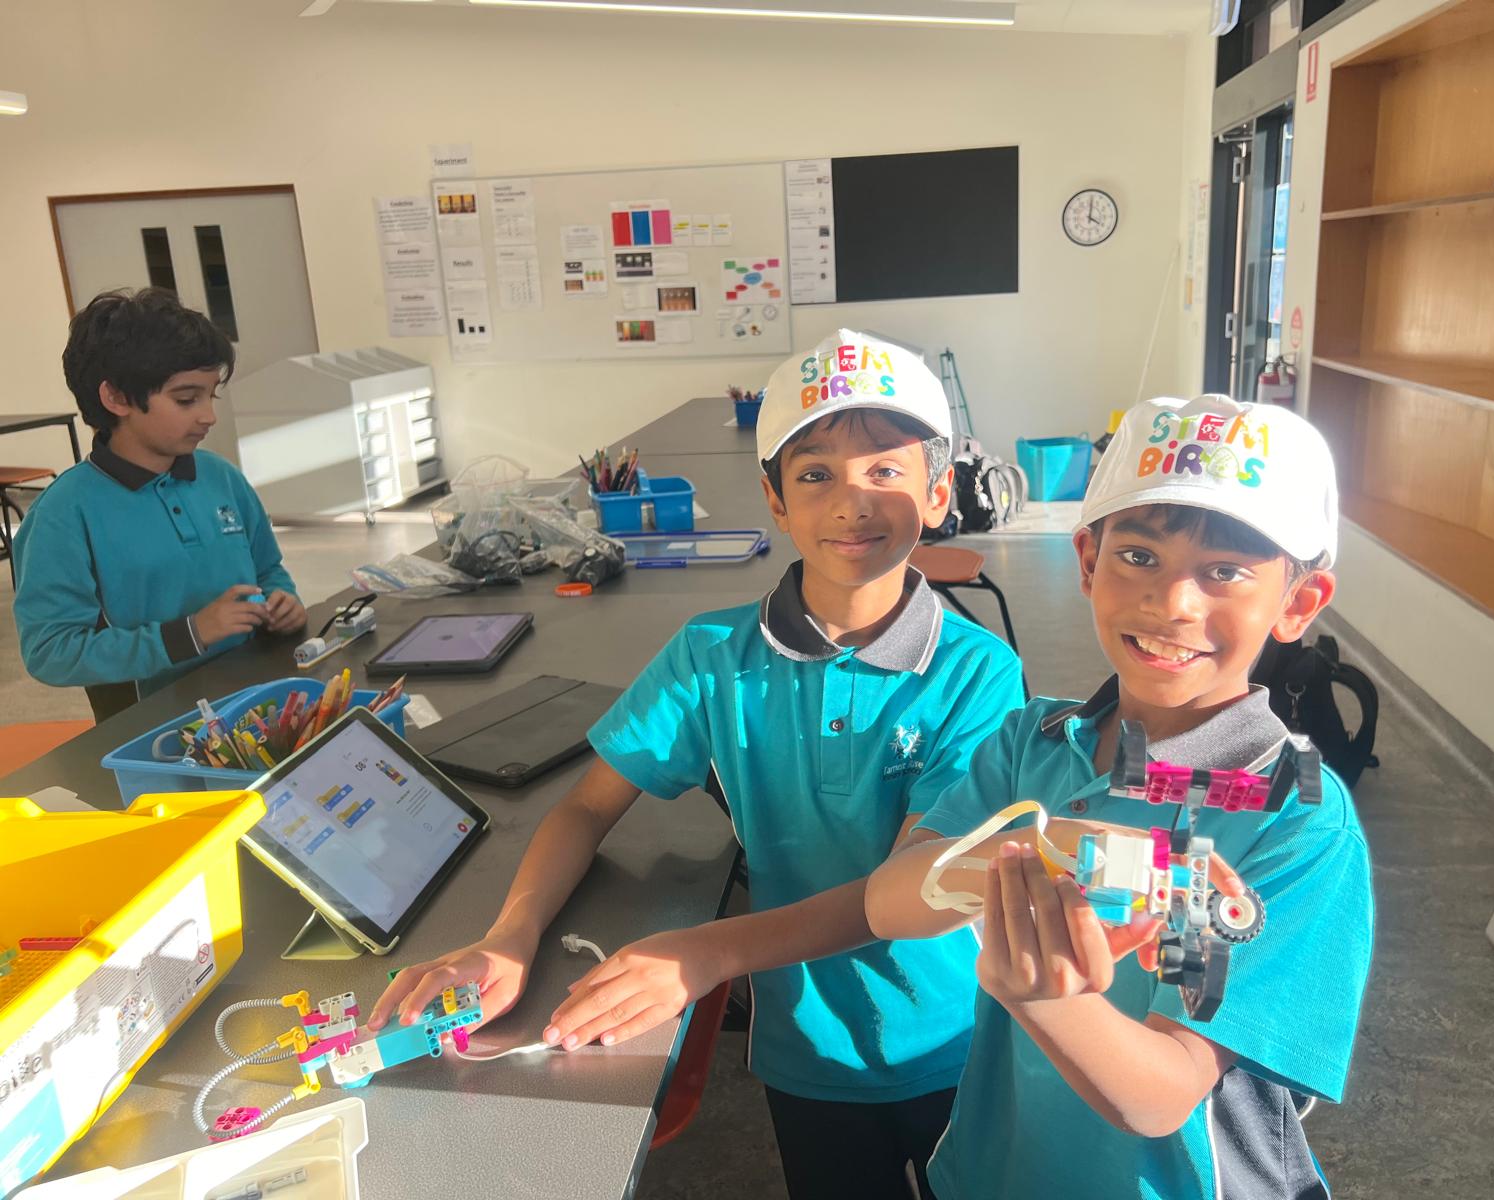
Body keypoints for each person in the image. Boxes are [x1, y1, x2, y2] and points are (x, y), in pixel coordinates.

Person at [371, 330, 1025, 1199]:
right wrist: (511, 937)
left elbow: (914, 890)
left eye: (886, 471)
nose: (851, 502)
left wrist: (702, 954)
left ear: (938, 492)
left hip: (957, 1037)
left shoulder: (979, 675)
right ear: (775, 500)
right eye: (816, 473)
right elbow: (584, 810)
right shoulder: (713, 655)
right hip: (807, 1049)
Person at [866, 394, 1374, 1199]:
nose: (1173, 603)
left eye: (1226, 572)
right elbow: (889, 905)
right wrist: (1047, 850)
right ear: (1087, 562)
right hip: (999, 1170)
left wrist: (1049, 997)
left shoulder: (1296, 821)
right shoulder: (1034, 742)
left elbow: (1161, 1094)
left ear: (1298, 603)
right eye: (1140, 556)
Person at [14, 289, 305, 720]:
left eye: (211, 396)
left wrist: (284, 601)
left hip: (256, 703)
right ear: (116, 399)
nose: (208, 416)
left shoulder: (219, 477)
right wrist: (188, 635)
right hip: (153, 728)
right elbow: (51, 652)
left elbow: (267, 568)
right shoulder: (65, 513)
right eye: (187, 399)